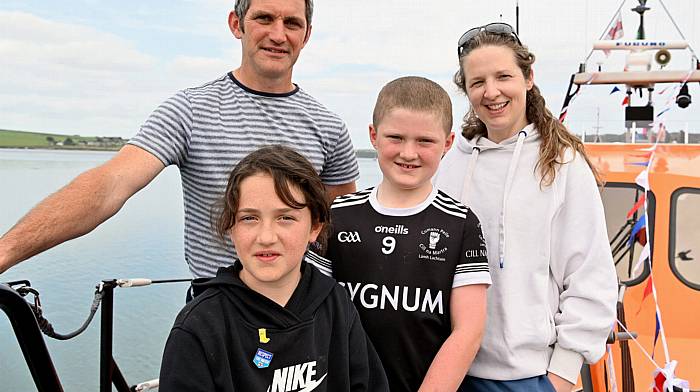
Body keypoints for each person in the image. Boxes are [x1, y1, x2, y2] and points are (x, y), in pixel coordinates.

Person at [0, 0, 358, 284]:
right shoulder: (189, 110)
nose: (278, 35)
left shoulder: (328, 126)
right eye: (264, 18)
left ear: (307, 34)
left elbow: (338, 230)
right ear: (237, 24)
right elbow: (111, 184)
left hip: (304, 312)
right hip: (217, 313)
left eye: (291, 23)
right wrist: (6, 252)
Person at [434, 23, 618, 391]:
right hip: (449, 370)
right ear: (466, 90)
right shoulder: (448, 162)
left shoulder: (561, 163)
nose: (492, 92)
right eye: (477, 82)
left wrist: (562, 375)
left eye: (503, 76)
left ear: (528, 77)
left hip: (530, 377)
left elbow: (589, 274)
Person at [309, 76, 491, 391]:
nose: (409, 153)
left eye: (425, 141)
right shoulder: (338, 215)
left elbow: (469, 331)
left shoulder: (461, 223)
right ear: (373, 136)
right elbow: (310, 312)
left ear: (447, 144)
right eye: (396, 137)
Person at [159, 146, 388, 391]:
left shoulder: (335, 303)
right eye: (249, 218)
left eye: (285, 218)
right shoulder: (200, 327)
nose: (266, 237)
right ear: (230, 226)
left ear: (315, 227)